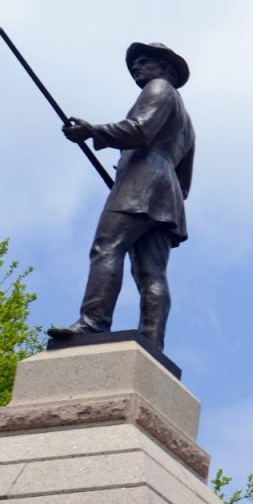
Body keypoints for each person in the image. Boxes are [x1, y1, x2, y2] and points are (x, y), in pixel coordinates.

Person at [47, 43, 196, 349]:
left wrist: (93, 131)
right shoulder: (187, 125)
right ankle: (152, 341)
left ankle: (92, 323)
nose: (136, 68)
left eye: (143, 62)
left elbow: (139, 130)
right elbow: (184, 182)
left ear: (164, 69)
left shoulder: (159, 88)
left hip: (141, 185)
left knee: (106, 247)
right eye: (134, 65)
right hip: (166, 196)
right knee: (150, 272)